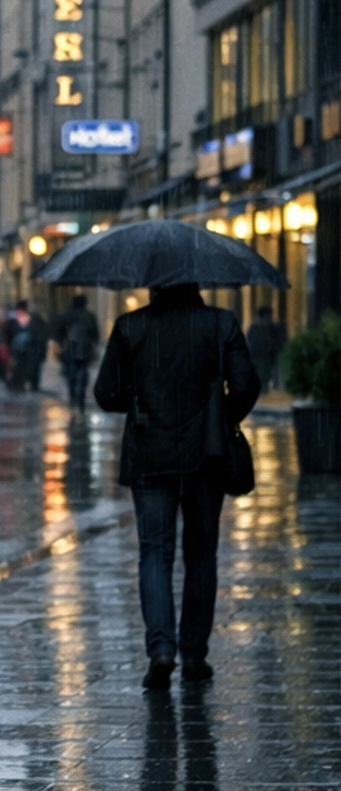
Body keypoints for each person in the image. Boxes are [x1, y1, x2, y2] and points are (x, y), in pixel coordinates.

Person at [94, 283, 259, 687]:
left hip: (149, 453)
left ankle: (161, 649)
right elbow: (246, 385)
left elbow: (105, 393)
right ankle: (194, 653)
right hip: (206, 456)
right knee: (201, 554)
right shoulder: (220, 324)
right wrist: (221, 415)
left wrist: (136, 397)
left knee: (154, 552)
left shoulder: (131, 327)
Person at [54, 292, 102, 412]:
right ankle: (79, 400)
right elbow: (95, 335)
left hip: (70, 350)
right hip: (84, 352)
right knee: (82, 376)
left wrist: (60, 344)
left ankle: (73, 398)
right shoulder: (89, 316)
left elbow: (59, 333)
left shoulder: (66, 315)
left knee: (71, 376)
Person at [246, 303, 287, 392]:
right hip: (262, 356)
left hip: (265, 356)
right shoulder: (258, 327)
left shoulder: (268, 327)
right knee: (264, 375)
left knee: (264, 375)